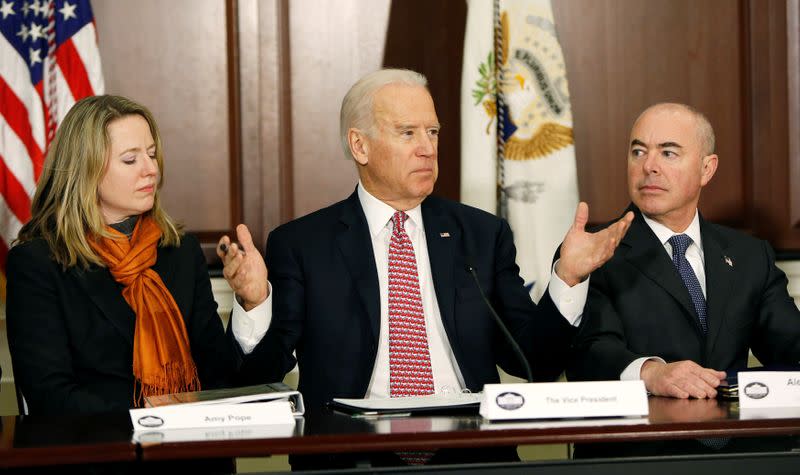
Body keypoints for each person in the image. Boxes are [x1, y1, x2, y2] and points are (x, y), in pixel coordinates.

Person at [220, 68, 632, 467]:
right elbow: (264, 371)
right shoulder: (304, 244)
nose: (427, 148)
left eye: (432, 132)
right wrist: (254, 302)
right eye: (408, 133)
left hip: (470, 452)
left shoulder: (480, 235)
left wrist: (567, 278)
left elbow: (534, 360)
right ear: (359, 146)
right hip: (352, 454)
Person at [566, 103, 800, 455]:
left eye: (669, 152)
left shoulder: (750, 255)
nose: (649, 166)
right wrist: (651, 373)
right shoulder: (595, 250)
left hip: (741, 455)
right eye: (638, 151)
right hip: (639, 455)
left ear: (707, 169)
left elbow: (790, 343)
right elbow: (590, 352)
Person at [6, 95, 262, 417]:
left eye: (152, 155)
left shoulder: (180, 251)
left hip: (197, 457)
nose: (151, 169)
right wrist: (155, 422)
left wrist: (252, 303)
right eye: (131, 160)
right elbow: (50, 396)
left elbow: (223, 378)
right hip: (104, 459)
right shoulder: (38, 263)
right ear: (85, 170)